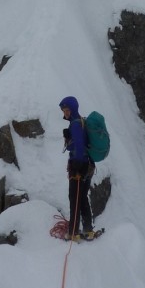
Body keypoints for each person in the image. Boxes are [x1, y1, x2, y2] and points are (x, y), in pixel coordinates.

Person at [59, 96, 95, 240]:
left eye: (67, 110)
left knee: (74, 198)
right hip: (88, 164)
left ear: (73, 109)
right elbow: (80, 144)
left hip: (78, 165)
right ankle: (88, 230)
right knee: (82, 197)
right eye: (64, 110)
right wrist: (69, 141)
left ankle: (73, 232)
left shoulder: (75, 124)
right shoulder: (81, 121)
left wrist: (77, 166)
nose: (65, 112)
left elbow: (79, 146)